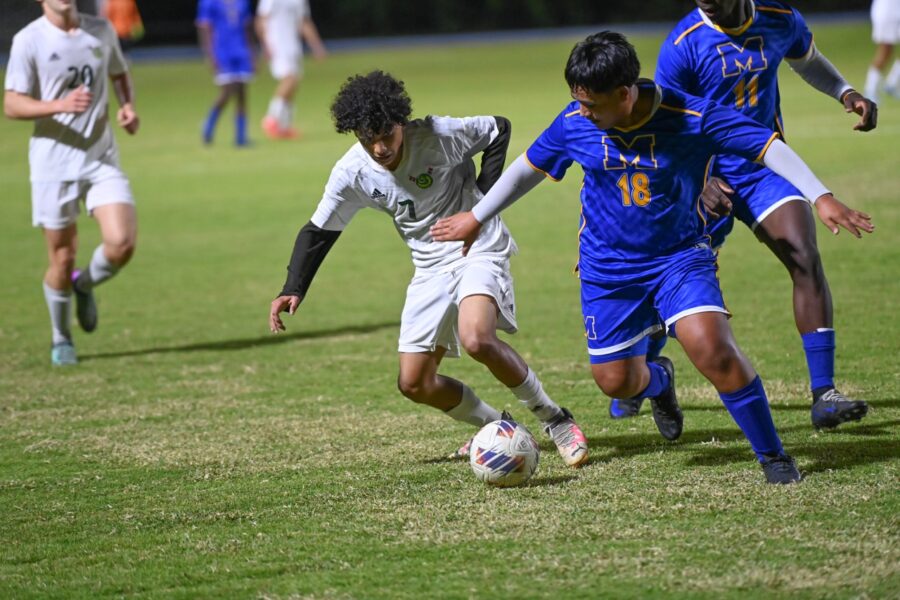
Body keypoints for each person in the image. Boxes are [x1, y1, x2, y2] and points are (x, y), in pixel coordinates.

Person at [431, 32, 874, 483]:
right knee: (616, 382)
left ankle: (774, 457)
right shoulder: (575, 122)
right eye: (577, 102)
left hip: (678, 257)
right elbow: (529, 167)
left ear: (625, 94)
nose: (582, 113)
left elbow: (768, 146)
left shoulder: (691, 116)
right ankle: (658, 379)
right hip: (608, 269)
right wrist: (477, 216)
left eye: (593, 105)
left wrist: (821, 197)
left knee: (712, 348)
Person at [269, 71, 589, 468]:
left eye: (386, 134)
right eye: (367, 138)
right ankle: (497, 428)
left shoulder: (437, 135)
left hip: (478, 248)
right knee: (415, 383)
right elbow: (320, 229)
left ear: (400, 121)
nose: (380, 147)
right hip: (429, 267)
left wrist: (480, 210)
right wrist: (293, 286)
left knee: (477, 339)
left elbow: (497, 129)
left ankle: (555, 419)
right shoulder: (352, 172)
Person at [605, 0, 878, 430]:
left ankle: (824, 394)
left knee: (804, 255)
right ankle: (646, 375)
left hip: (765, 168)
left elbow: (806, 59)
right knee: (668, 274)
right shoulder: (683, 44)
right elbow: (662, 122)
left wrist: (845, 91)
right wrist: (699, 181)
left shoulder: (779, 18)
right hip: (703, 175)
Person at [4, 0, 140, 366]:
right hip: (53, 165)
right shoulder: (28, 40)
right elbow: (12, 103)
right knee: (62, 259)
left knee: (122, 244)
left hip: (100, 158)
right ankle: (61, 337)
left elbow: (119, 72)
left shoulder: (101, 29)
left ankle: (84, 285)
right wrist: (58, 105)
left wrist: (128, 106)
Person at [255, 0, 327, 140]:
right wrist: (265, 45)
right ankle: (271, 118)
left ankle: (284, 126)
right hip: (277, 44)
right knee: (289, 78)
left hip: (292, 45)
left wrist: (316, 45)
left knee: (294, 83)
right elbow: (261, 20)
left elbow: (304, 22)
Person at [196, 0, 255, 146]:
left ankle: (241, 137)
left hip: (240, 50)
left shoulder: (242, 2)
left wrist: (252, 51)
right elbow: (204, 27)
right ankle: (208, 126)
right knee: (227, 92)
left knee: (242, 92)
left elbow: (247, 26)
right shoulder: (209, 2)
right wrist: (210, 54)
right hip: (222, 50)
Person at [865, 0, 900, 102]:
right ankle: (870, 90)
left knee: (886, 51)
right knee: (885, 51)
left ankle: (892, 82)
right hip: (886, 13)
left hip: (896, 12)